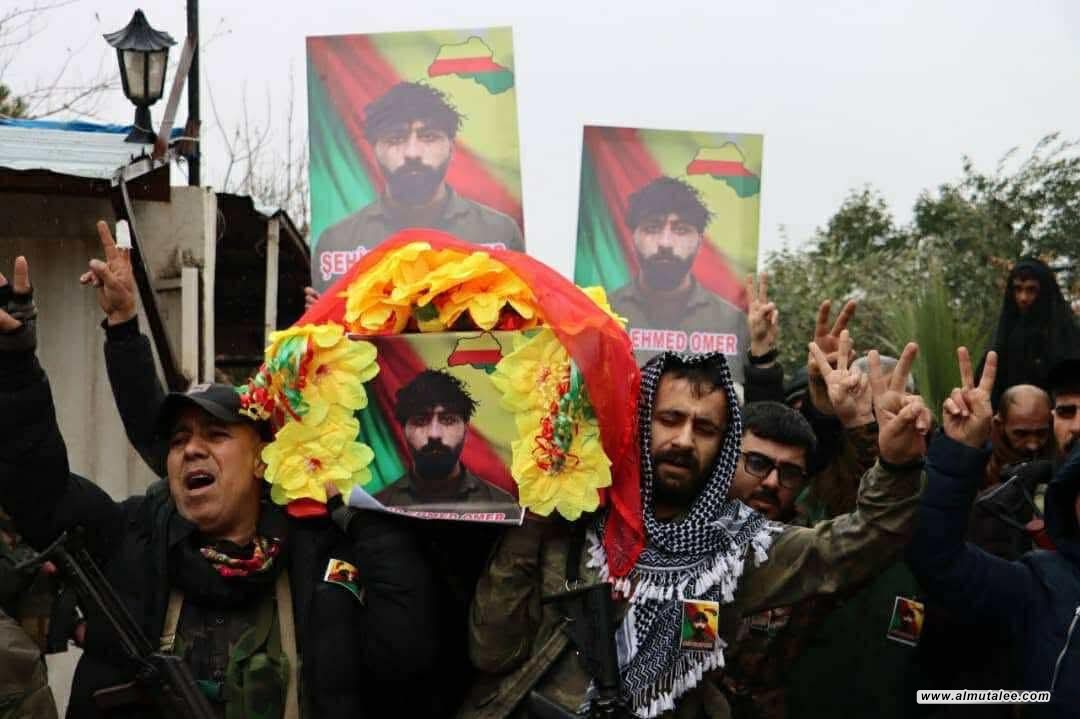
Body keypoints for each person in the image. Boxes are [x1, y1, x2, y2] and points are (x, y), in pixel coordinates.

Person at [13, 235, 441, 718]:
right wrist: (15, 365)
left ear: (262, 459)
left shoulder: (323, 555)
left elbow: (408, 664)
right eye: (179, 441)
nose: (192, 449)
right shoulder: (135, 541)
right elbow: (38, 488)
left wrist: (368, 520)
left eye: (216, 435)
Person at [464, 346, 930, 718]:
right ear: (640, 423)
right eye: (670, 419)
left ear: (724, 445)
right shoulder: (570, 515)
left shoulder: (740, 548)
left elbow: (857, 545)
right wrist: (534, 524)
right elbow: (492, 652)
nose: (684, 440)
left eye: (705, 428)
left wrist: (894, 463)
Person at [908, 347, 1080, 716]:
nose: (1032, 444)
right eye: (1068, 411)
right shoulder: (1042, 581)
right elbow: (939, 562)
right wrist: (958, 453)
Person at [310, 82, 524, 293]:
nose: (412, 153)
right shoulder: (338, 243)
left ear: (451, 147)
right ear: (374, 150)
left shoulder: (499, 233)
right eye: (395, 138)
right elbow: (326, 316)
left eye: (428, 136)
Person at [608, 176, 751, 376]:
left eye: (681, 229)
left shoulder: (733, 323)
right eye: (652, 228)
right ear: (633, 237)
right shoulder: (603, 315)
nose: (665, 243)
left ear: (700, 242)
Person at [375, 369, 517, 509]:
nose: (434, 434)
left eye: (448, 420)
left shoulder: (503, 507)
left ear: (465, 429)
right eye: (420, 420)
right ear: (403, 429)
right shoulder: (377, 508)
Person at [983, 258, 1080, 409]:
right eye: (1018, 289)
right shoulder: (1004, 337)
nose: (1023, 298)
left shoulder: (1067, 337)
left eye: (1031, 290)